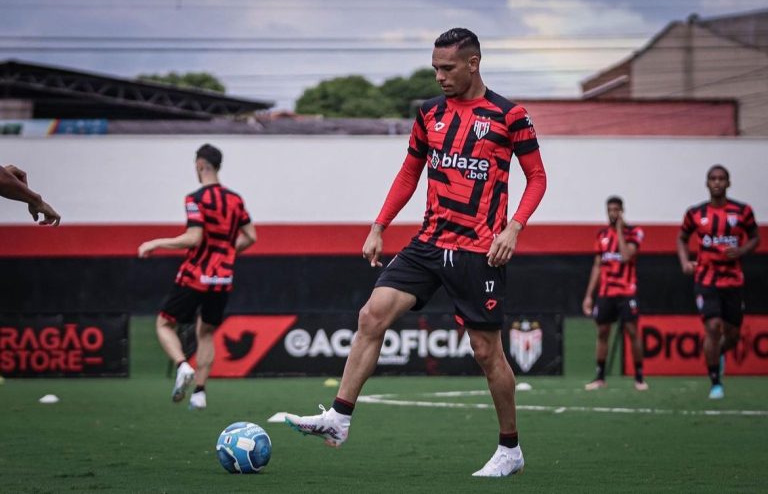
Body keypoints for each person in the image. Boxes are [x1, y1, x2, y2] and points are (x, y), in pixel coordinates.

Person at [284, 28, 546, 478]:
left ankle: (510, 449)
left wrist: (514, 228)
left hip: (480, 251)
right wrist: (378, 226)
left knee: (487, 353)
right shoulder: (428, 114)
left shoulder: (509, 115)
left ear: (473, 64)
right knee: (372, 315)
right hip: (428, 243)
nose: (439, 76)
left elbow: (537, 177)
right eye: (435, 68)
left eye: (447, 68)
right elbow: (409, 173)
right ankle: (339, 418)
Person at [138, 144, 256, 410]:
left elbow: (194, 237)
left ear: (201, 165)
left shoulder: (195, 198)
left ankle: (182, 366)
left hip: (196, 275)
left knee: (164, 324)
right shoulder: (236, 200)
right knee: (206, 333)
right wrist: (226, 252)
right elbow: (251, 236)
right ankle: (200, 393)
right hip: (223, 278)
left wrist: (155, 243)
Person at [676, 165, 759, 400]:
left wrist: (742, 249)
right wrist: (685, 261)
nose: (717, 183)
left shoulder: (743, 211)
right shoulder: (695, 213)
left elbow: (756, 237)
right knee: (712, 327)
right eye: (713, 178)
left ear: (728, 183)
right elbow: (682, 238)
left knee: (732, 334)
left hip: (733, 281)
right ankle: (715, 382)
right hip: (706, 278)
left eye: (721, 179)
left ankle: (719, 353)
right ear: (707, 183)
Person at [582, 196, 647, 391]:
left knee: (633, 332)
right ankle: (600, 377)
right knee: (602, 333)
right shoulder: (601, 235)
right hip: (606, 292)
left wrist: (619, 229)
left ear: (622, 211)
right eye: (610, 210)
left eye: (616, 210)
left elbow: (626, 256)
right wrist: (588, 295)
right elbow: (597, 266)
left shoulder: (635, 232)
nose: (613, 213)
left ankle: (639, 377)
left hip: (627, 291)